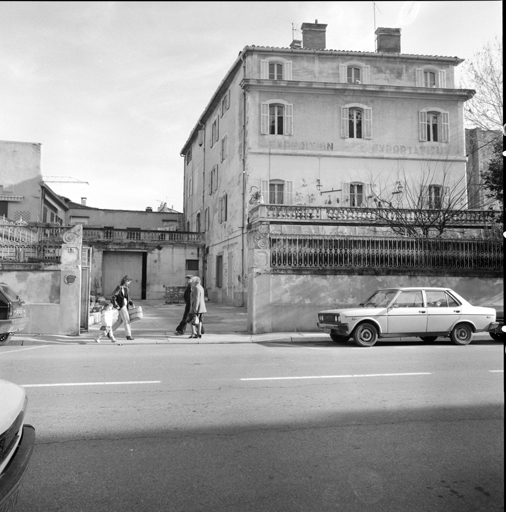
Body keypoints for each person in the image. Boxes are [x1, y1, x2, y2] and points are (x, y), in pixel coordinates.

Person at [111, 275, 135, 341]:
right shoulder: (119, 287)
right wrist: (116, 305)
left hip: (125, 306)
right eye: (129, 281)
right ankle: (128, 335)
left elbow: (128, 298)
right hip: (121, 306)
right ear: (126, 281)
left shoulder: (126, 288)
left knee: (119, 321)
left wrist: (131, 303)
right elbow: (113, 296)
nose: (129, 283)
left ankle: (109, 332)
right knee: (127, 320)